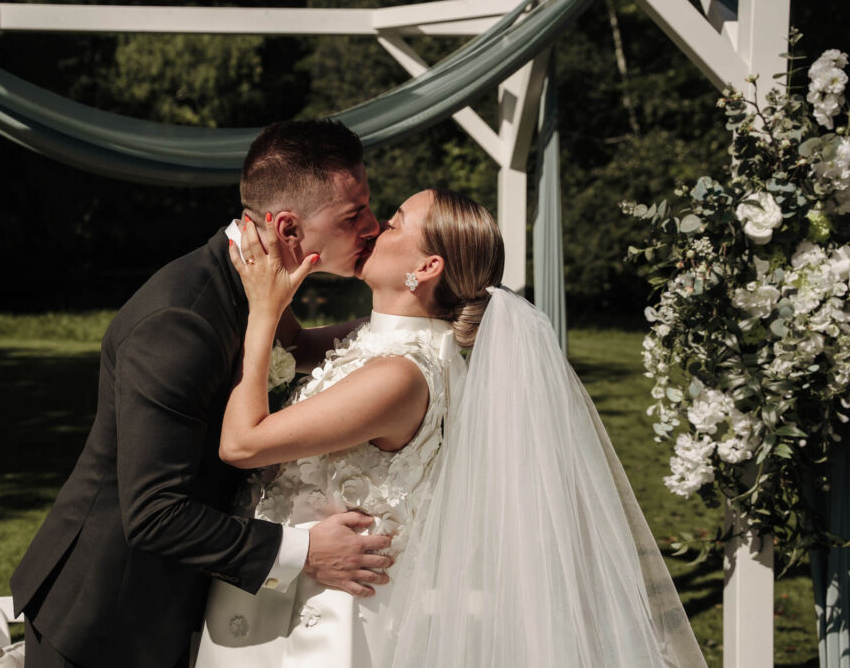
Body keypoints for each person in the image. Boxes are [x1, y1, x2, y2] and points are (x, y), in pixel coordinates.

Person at [194, 188, 708, 667]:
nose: (373, 228)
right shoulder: (382, 338)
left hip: (325, 614)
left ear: (427, 267)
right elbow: (297, 345)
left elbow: (243, 444)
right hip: (291, 585)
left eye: (394, 224)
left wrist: (263, 311)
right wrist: (272, 250)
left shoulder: (399, 376)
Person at [9, 119, 387, 668]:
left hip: (180, 602)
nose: (372, 226)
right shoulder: (179, 322)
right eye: (353, 216)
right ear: (287, 228)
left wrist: (411, 330)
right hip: (109, 617)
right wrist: (307, 552)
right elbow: (154, 514)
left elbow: (296, 349)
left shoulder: (257, 283)